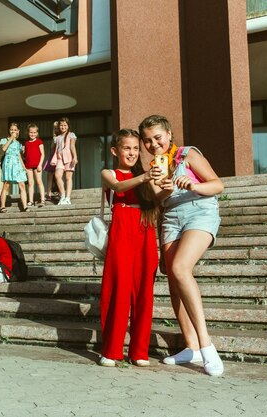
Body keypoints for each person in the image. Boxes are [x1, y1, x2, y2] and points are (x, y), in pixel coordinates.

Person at [140, 114, 225, 376]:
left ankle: (206, 345)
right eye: (147, 141)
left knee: (179, 268)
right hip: (171, 219)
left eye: (157, 138)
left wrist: (194, 184)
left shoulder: (188, 154)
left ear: (168, 134)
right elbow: (158, 197)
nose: (153, 144)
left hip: (199, 211)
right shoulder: (155, 166)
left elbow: (218, 184)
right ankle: (191, 347)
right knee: (174, 282)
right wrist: (164, 186)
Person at [99, 129, 160, 367]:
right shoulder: (109, 172)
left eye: (136, 148)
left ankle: (139, 351)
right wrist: (146, 177)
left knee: (144, 289)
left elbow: (158, 197)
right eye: (127, 148)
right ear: (115, 151)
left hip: (145, 229)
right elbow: (118, 187)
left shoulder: (147, 174)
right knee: (118, 288)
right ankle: (112, 350)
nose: (133, 152)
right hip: (122, 228)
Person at [0, 122, 29, 213]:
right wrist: (11, 138)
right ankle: (2, 206)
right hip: (8, 163)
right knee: (6, 185)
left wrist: (24, 166)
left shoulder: (19, 144)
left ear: (18, 131)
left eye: (15, 130)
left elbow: (19, 155)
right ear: (9, 130)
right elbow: (4, 149)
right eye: (11, 129)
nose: (13, 131)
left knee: (22, 184)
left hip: (18, 164)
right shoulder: (4, 140)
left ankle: (25, 206)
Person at [51, 117, 77, 205]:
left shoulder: (71, 134)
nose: (63, 127)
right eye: (61, 125)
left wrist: (75, 157)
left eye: (65, 125)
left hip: (69, 157)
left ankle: (68, 198)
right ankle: (62, 196)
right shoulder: (57, 137)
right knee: (57, 176)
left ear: (68, 126)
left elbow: (72, 146)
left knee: (68, 178)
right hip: (59, 158)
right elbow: (53, 148)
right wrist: (54, 135)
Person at [24, 123, 46, 208]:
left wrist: (40, 165)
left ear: (37, 133)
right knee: (30, 183)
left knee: (39, 182)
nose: (32, 134)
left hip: (37, 165)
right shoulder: (26, 143)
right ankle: (30, 201)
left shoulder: (39, 142)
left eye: (34, 132)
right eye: (31, 132)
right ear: (28, 133)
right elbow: (26, 155)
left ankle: (43, 200)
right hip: (28, 166)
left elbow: (43, 154)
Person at [43, 121, 60, 202]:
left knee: (59, 175)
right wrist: (54, 139)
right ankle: (48, 193)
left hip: (59, 157)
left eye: (57, 127)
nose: (56, 129)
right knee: (49, 174)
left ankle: (60, 192)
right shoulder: (55, 136)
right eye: (55, 128)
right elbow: (52, 146)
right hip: (53, 156)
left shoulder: (64, 136)